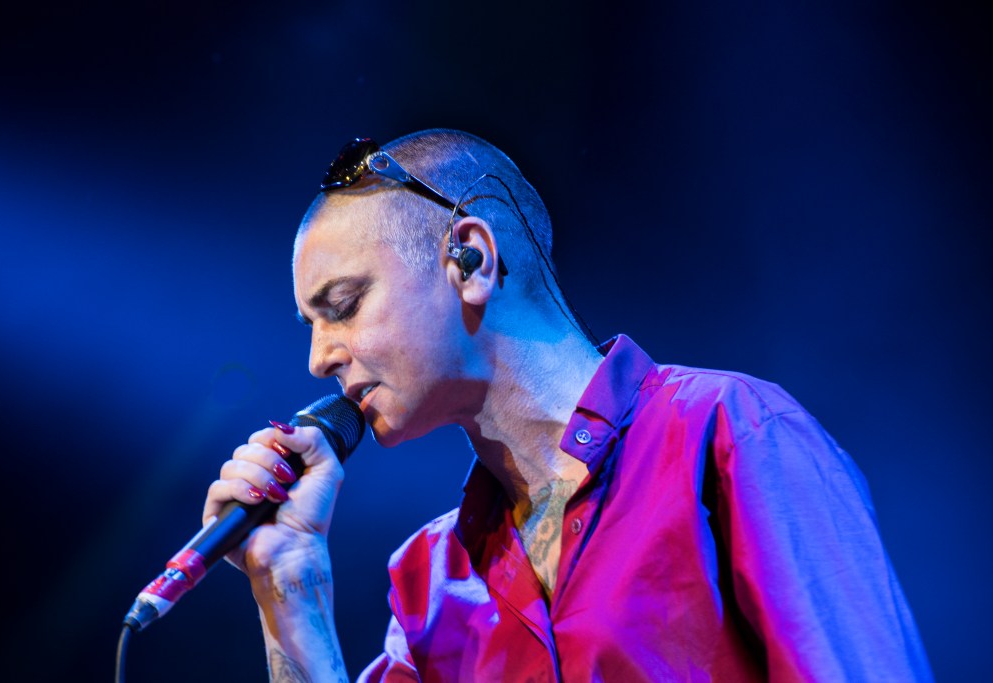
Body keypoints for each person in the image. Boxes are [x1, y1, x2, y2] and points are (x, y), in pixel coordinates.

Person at [202, 129, 934, 682]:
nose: (320, 356)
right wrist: (288, 587)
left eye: (345, 305)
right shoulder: (429, 581)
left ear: (471, 259)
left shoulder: (728, 432)